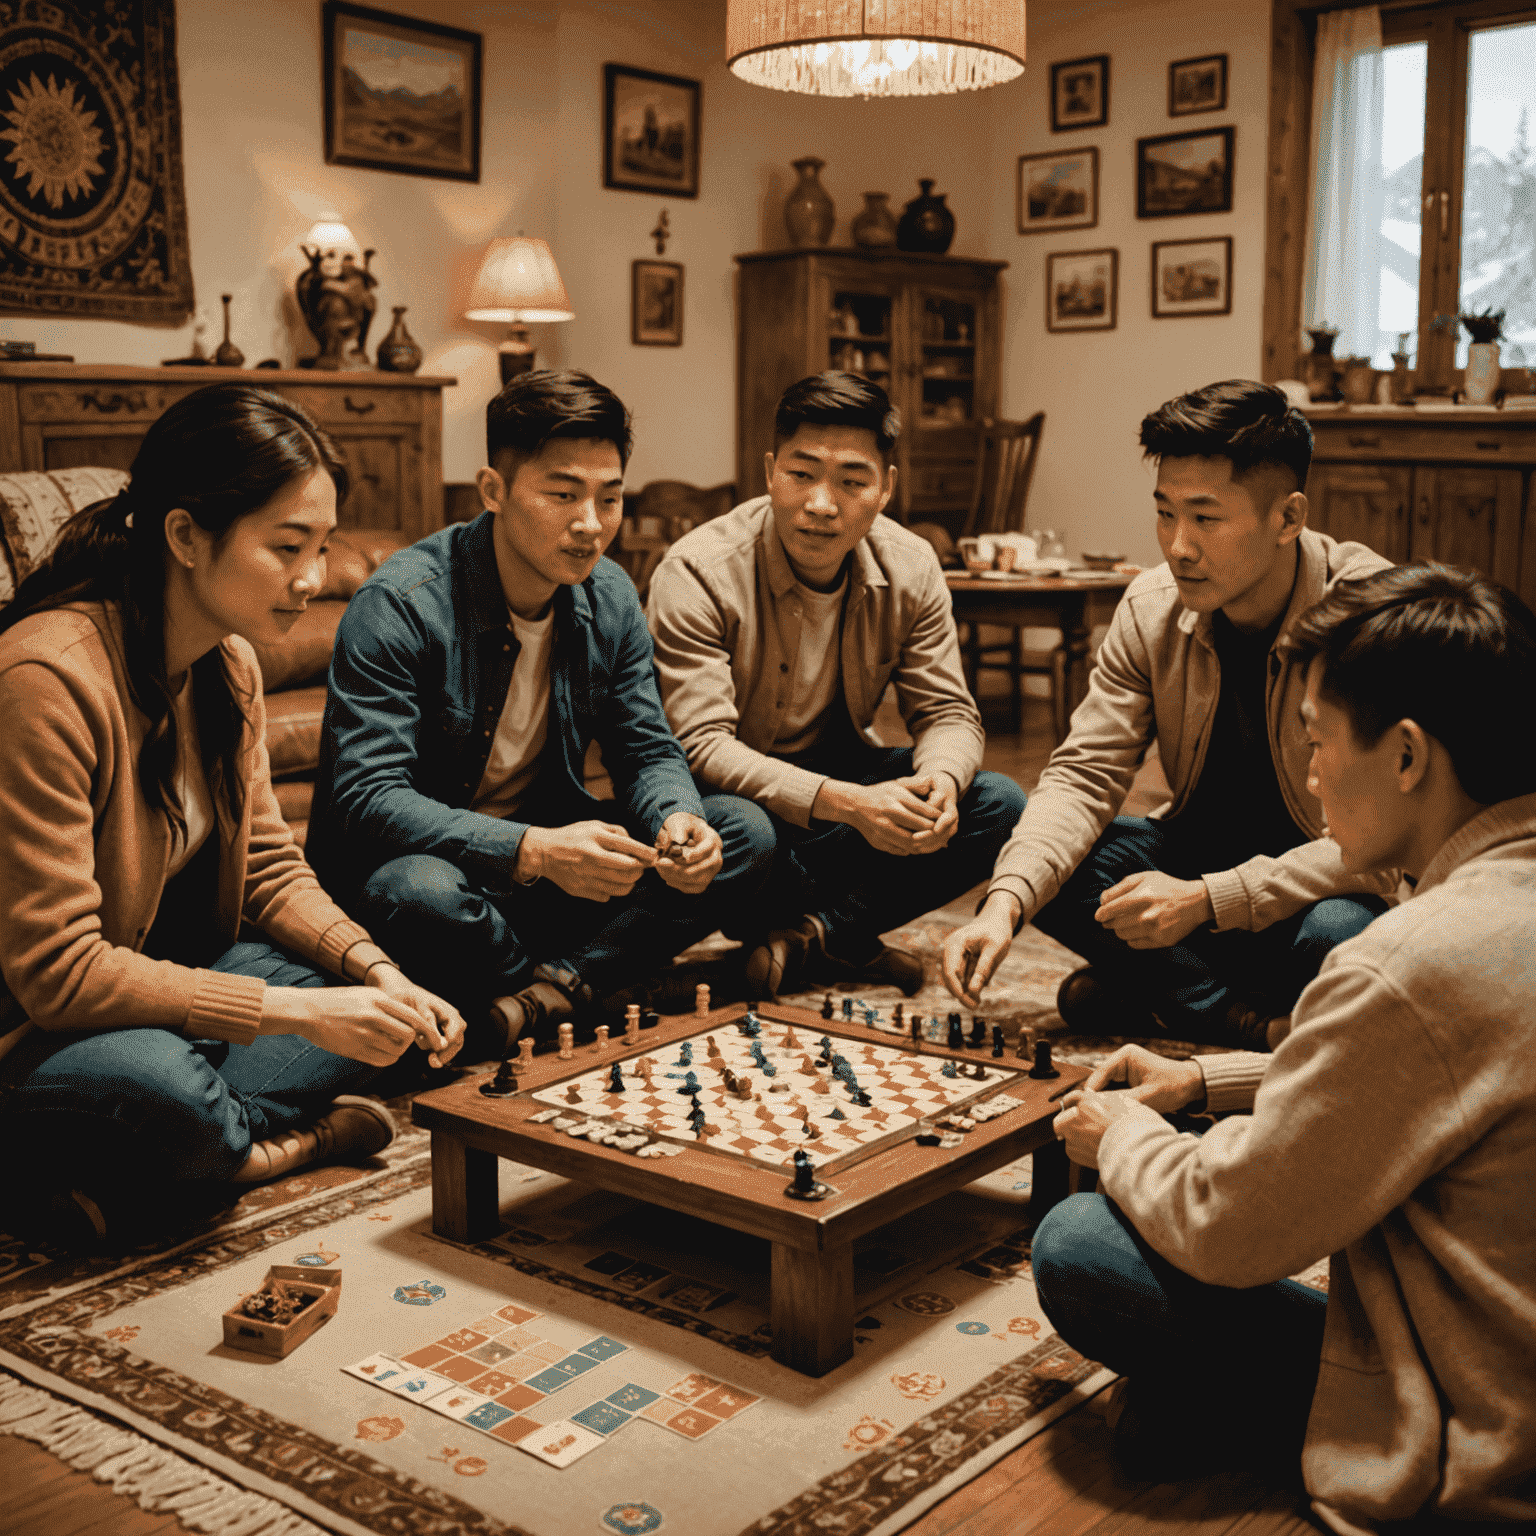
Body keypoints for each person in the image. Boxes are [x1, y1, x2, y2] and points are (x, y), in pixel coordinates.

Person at [1032, 562, 1536, 1530]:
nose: (1308, 782)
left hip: (1477, 1419)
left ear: (1406, 757)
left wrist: (1122, 1137)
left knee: (1082, 1247)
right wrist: (1203, 1081)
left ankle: (1227, 1409)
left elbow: (1232, 1221)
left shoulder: (1404, 961)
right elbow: (1428, 1078)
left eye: (1317, 743)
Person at [0, 383, 465, 1248]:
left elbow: (267, 868)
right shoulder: (44, 681)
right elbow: (58, 976)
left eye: (323, 546)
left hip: (150, 990)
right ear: (184, 535)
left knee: (370, 1014)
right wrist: (297, 1020)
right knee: (171, 1089)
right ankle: (263, 1149)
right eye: (288, 546)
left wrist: (375, 975)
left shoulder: (230, 665)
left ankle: (157, 1166)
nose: (316, 578)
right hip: (30, 1031)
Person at [305, 370, 773, 1057]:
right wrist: (532, 852)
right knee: (420, 894)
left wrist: (679, 820)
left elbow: (644, 748)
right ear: (492, 490)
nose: (590, 523)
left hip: (549, 872)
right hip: (441, 875)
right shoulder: (401, 605)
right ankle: (589, 979)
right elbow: (368, 800)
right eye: (562, 494)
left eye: (609, 497)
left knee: (741, 832)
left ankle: (540, 997)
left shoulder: (609, 596)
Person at [941, 379, 1397, 1047]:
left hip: (1316, 880)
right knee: (1037, 853)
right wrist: (1003, 905)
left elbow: (1384, 846)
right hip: (1195, 857)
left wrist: (1211, 899)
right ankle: (1229, 1014)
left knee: (1340, 938)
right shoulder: (1152, 605)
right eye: (1165, 513)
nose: (1177, 546)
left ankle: (1159, 992)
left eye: (1205, 518)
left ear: (1289, 517)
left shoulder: (1365, 615)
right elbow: (1083, 775)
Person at [646, 371, 1024, 998]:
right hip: (736, 816)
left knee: (998, 804)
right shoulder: (698, 570)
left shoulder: (911, 564)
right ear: (770, 472)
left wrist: (941, 786)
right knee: (748, 832)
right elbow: (704, 749)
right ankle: (829, 932)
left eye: (852, 481)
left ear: (886, 489)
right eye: (801, 474)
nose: (822, 504)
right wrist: (851, 804)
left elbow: (948, 712)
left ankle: (814, 934)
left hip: (833, 805)